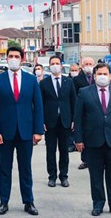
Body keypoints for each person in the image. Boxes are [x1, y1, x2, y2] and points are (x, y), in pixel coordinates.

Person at [0, 46, 44, 216]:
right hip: (5, 133)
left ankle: (28, 201)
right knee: (5, 169)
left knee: (25, 168)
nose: (13, 58)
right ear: (6, 59)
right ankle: (4, 201)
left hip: (26, 131)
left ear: (21, 58)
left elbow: (38, 106)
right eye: (10, 56)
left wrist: (38, 131)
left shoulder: (31, 80)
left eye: (16, 56)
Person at [74, 62, 111, 217]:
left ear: (110, 76)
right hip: (93, 142)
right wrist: (78, 140)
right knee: (96, 175)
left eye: (104, 74)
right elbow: (78, 118)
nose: (102, 77)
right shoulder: (84, 92)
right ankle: (98, 204)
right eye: (99, 74)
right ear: (94, 76)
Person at [40, 55, 76, 188]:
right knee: (50, 150)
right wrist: (41, 121)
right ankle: (52, 176)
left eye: (57, 63)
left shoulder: (69, 82)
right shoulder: (44, 83)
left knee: (64, 150)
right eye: (52, 63)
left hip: (65, 121)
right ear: (49, 66)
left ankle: (64, 176)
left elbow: (74, 102)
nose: (55, 65)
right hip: (50, 122)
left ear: (61, 65)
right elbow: (40, 104)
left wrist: (74, 120)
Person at [73, 57, 96, 169]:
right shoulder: (77, 79)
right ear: (82, 66)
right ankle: (85, 160)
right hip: (83, 110)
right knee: (84, 136)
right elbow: (74, 96)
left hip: (96, 111)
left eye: (90, 64)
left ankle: (95, 159)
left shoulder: (97, 78)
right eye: (86, 64)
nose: (88, 66)